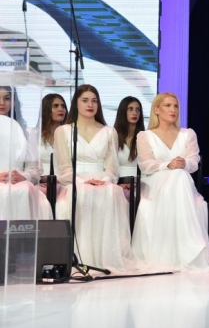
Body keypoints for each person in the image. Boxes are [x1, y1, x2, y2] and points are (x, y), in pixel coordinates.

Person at [54, 84, 134, 272]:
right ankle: (80, 258)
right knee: (81, 193)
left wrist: (104, 180)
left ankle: (105, 257)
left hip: (102, 181)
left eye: (94, 101)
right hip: (75, 181)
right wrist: (82, 181)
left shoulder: (109, 132)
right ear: (76, 103)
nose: (90, 105)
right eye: (85, 100)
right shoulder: (63, 131)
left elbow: (112, 167)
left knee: (111, 192)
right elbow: (63, 167)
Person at [132, 92, 209, 270]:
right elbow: (146, 165)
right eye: (167, 106)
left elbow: (194, 161)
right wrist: (167, 165)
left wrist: (184, 163)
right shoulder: (145, 136)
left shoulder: (188, 134)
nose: (173, 110)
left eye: (175, 106)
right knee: (179, 175)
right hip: (155, 182)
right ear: (156, 110)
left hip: (182, 183)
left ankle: (186, 250)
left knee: (180, 175)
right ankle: (187, 249)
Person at [0, 86, 50, 219]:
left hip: (18, 182)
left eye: (7, 98)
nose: (2, 103)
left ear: (14, 102)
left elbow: (35, 169)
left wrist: (22, 176)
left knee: (24, 190)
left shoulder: (27, 132)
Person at [113, 96, 145, 200]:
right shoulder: (113, 136)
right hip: (118, 184)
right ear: (123, 112)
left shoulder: (145, 137)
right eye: (130, 109)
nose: (135, 113)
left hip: (141, 184)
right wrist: (118, 184)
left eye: (137, 110)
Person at [39, 93, 67, 177]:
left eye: (63, 106)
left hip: (64, 179)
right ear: (46, 109)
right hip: (39, 180)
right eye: (55, 106)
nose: (61, 109)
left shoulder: (69, 134)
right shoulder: (36, 135)